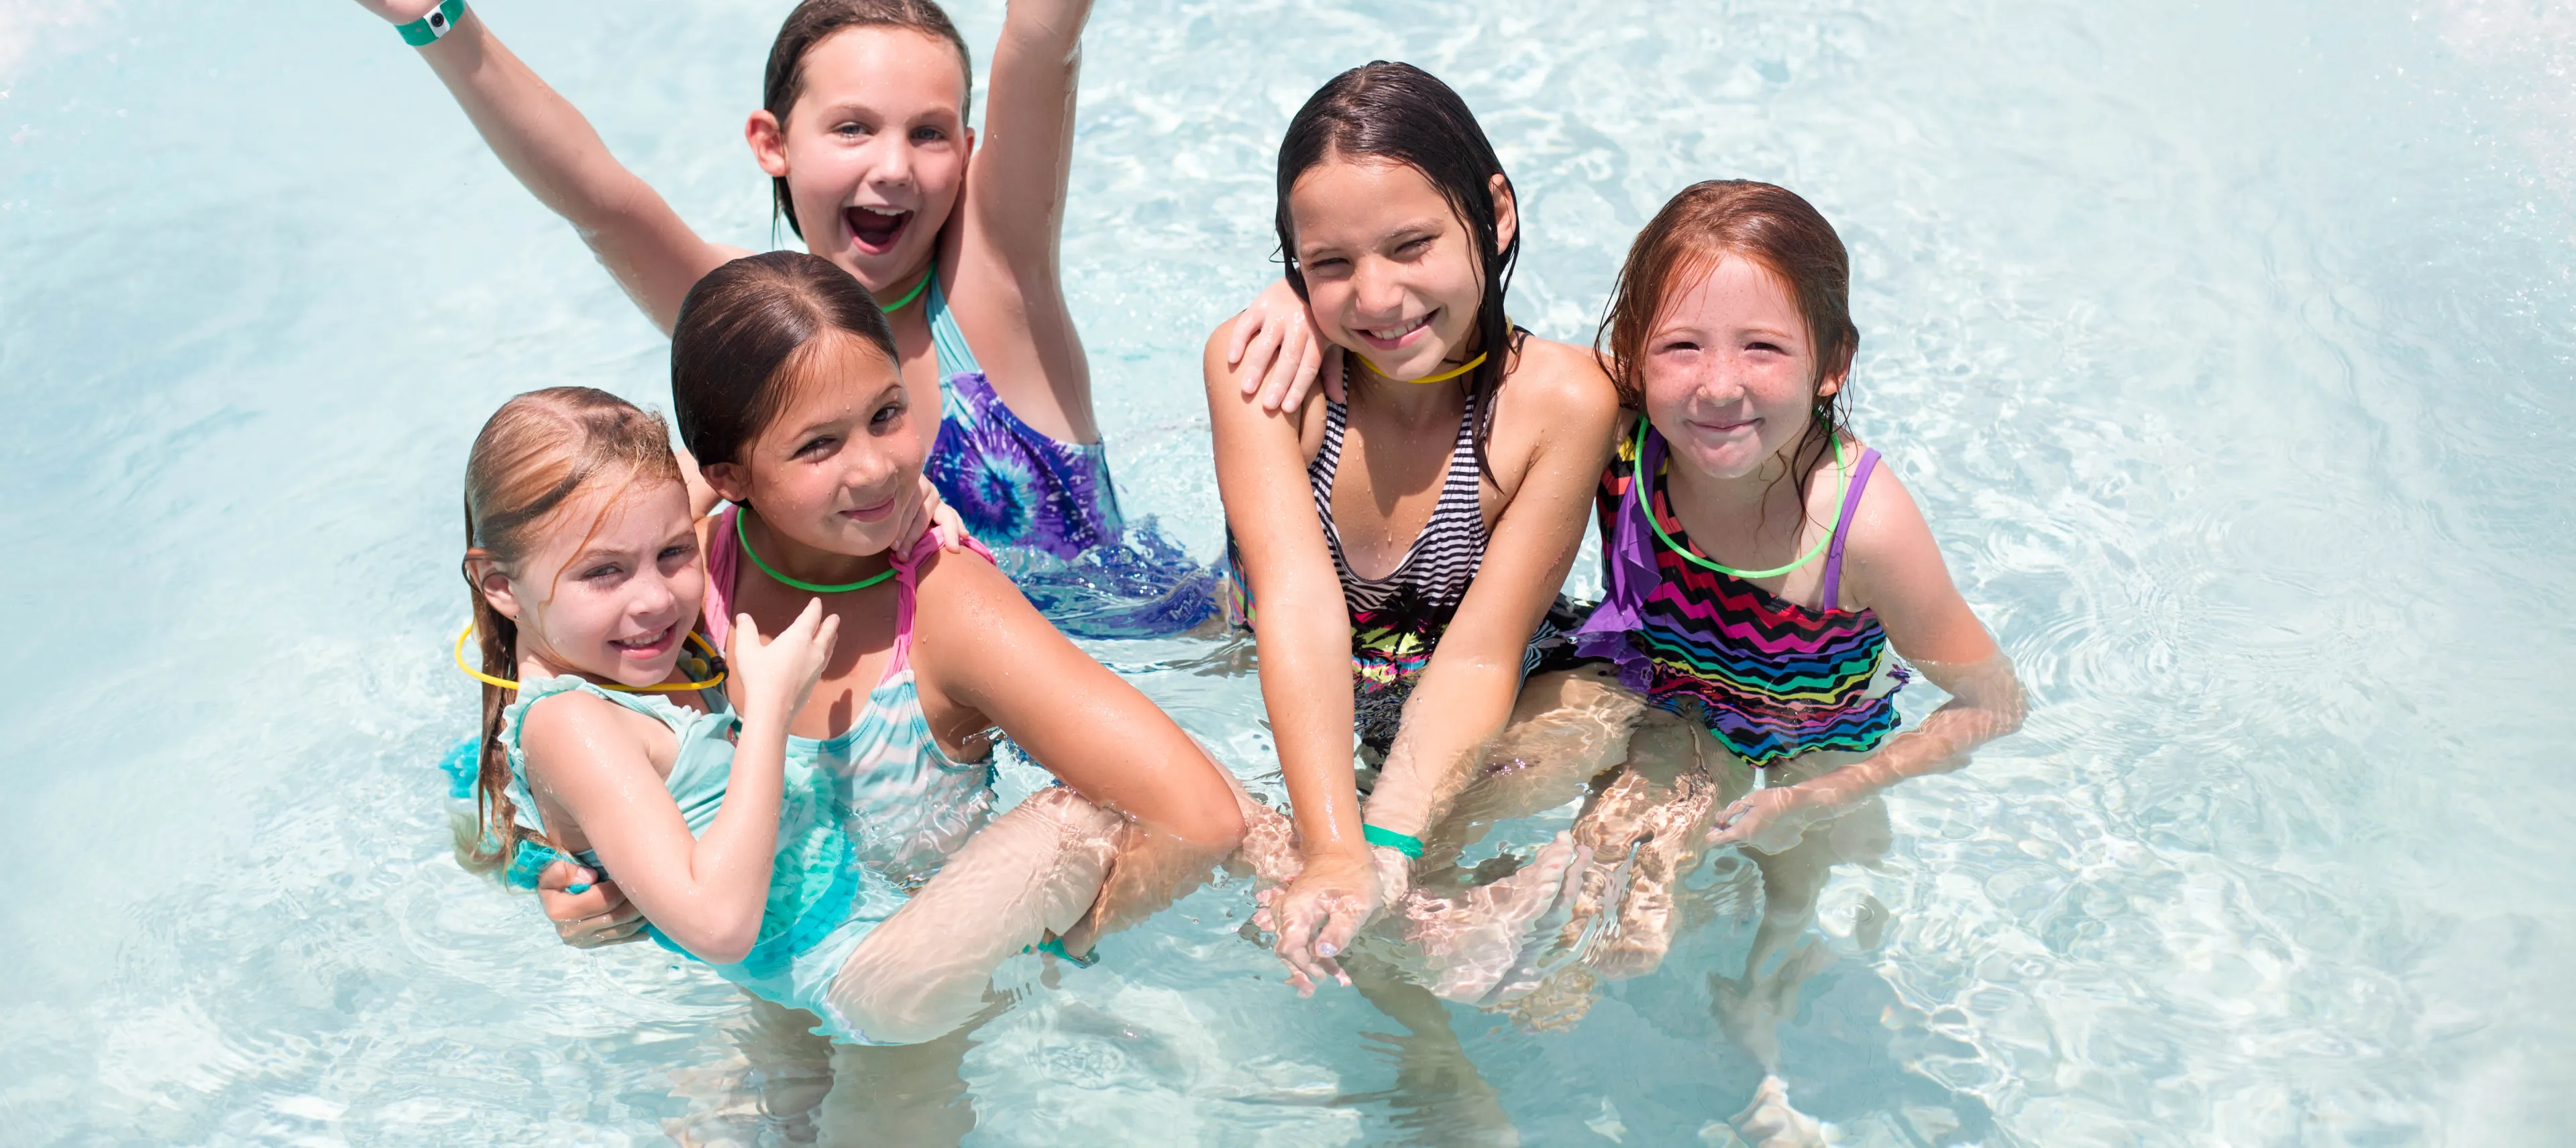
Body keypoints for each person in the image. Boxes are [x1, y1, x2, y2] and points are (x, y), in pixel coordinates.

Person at [333, 0, 1319, 640]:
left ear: (969, 157)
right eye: (853, 129)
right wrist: (437, 15)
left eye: (931, 134)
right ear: (773, 144)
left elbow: (1043, 30)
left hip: (1172, 673)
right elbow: (598, 198)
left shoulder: (993, 287)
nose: (894, 169)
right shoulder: (747, 326)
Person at [458, 256, 1251, 1041]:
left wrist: (1023, 969)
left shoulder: (948, 604)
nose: (877, 469)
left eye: (887, 415)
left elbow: (1196, 817)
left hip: (911, 976)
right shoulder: (676, 586)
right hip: (803, 990)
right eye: (818, 446)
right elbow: (524, 748)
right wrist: (557, 868)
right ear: (731, 476)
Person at [1491, 180, 2027, 1143]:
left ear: (1833, 364)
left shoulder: (1863, 529)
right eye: (1682, 345)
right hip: (1676, 703)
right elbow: (1435, 334)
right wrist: (1300, 300)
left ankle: (1762, 1055)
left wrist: (1827, 794)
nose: (1719, 384)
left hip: (1816, 741)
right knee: (1619, 903)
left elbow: (1993, 703)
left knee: (1788, 908)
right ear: (1630, 357)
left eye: (1765, 348)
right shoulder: (1618, 430)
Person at [1204, 62, 1623, 998]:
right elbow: (1298, 612)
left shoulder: (1562, 402)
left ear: (1496, 213)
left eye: (1411, 246)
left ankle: (1416, 910)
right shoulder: (1269, 379)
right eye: (1333, 264)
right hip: (1296, 672)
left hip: (1473, 687)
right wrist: (1329, 844)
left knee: (1611, 712)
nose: (1380, 298)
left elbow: (1481, 656)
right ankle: (1425, 951)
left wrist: (1380, 853)